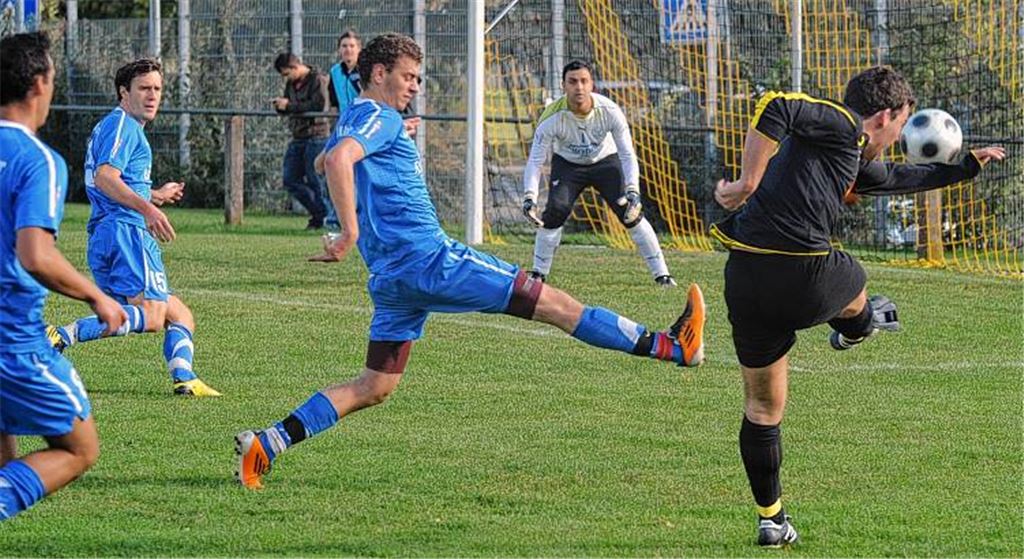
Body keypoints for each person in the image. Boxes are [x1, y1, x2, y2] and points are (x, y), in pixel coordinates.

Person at [235, 34, 707, 490]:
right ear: (378, 73)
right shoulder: (380, 117)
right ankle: (674, 347)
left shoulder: (356, 114)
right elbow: (337, 160)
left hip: (392, 279)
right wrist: (350, 232)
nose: (416, 85)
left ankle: (267, 444)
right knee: (558, 306)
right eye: (409, 76)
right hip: (434, 262)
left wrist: (352, 181)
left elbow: (325, 162)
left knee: (374, 386)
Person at [711, 65, 1007, 547]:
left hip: (746, 278)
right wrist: (747, 183)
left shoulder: (846, 154)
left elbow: (896, 177)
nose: (899, 137)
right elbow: (776, 107)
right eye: (902, 126)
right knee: (853, 277)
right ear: (884, 115)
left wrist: (965, 166)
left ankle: (771, 519)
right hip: (803, 270)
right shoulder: (841, 123)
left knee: (763, 408)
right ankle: (856, 326)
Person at [0, 31, 128, 521]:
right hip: (14, 339)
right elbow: (36, 254)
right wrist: (98, 296)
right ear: (39, 83)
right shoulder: (38, 161)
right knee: (79, 448)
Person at [47, 58, 221, 397]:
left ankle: (184, 377)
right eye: (144, 88)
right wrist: (148, 210)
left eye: (157, 88)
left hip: (107, 232)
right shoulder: (123, 126)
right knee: (153, 316)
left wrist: (154, 195)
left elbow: (113, 180)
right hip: (126, 231)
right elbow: (104, 178)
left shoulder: (118, 127)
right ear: (123, 92)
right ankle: (58, 335)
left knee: (178, 313)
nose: (152, 95)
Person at [522, 60, 675, 287]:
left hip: (606, 162)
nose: (579, 87)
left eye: (584, 81)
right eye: (573, 82)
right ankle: (538, 274)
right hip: (568, 165)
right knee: (556, 210)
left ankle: (662, 275)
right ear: (563, 85)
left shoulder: (610, 111)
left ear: (592, 84)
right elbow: (535, 160)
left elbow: (627, 154)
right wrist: (529, 198)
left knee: (629, 212)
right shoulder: (551, 116)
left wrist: (633, 189)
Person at [272, 52, 331, 230]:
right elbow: (291, 107)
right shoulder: (292, 83)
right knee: (290, 179)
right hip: (298, 135)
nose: (285, 78)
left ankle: (324, 218)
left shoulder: (318, 80)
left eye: (286, 74)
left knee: (315, 179)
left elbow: (318, 106)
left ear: (294, 67)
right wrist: (281, 106)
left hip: (317, 135)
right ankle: (320, 213)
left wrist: (289, 106)